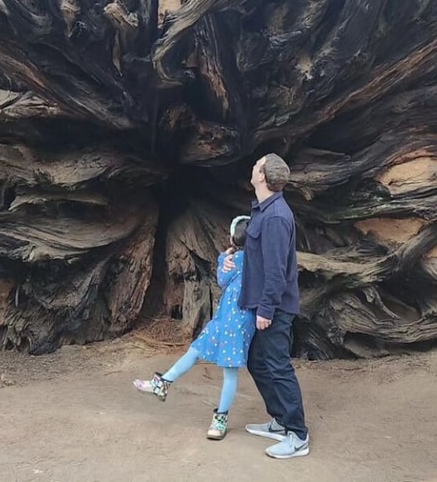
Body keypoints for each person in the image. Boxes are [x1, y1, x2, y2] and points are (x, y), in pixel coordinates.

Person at [133, 215, 256, 440]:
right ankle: (163, 383)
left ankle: (220, 419)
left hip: (233, 320)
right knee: (199, 352)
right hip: (230, 319)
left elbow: (222, 279)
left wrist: (222, 258)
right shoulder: (256, 258)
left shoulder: (236, 260)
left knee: (222, 367)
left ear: (232, 238)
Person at [235, 153, 310, 459]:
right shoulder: (265, 211)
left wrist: (266, 309)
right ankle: (280, 421)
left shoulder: (277, 216)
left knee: (278, 366)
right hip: (263, 304)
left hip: (275, 308)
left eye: (257, 165)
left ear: (263, 176)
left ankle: (298, 434)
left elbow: (277, 271)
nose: (253, 167)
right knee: (256, 360)